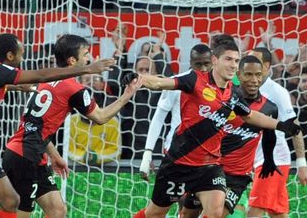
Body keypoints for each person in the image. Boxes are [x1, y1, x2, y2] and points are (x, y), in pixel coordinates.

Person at [0, 33, 116, 218]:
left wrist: (12, 86)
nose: (22, 59)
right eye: (21, 54)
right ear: (10, 56)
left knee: (11, 201)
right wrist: (88, 70)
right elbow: (41, 75)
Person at [129, 41, 301, 218]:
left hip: (210, 166)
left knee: (215, 211)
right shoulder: (194, 79)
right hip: (180, 163)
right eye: (228, 59)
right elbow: (160, 83)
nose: (233, 65)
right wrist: (138, 78)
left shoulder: (232, 94)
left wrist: (281, 125)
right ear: (215, 60)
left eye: (236, 60)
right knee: (155, 213)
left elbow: (250, 116)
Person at [2, 34, 143, 218]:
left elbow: (36, 127)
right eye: (85, 54)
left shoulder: (45, 79)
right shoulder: (74, 89)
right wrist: (127, 95)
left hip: (30, 153)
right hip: (25, 157)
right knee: (21, 214)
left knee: (57, 211)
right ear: (72, 60)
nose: (89, 59)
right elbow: (100, 117)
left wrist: (55, 155)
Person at [180, 55, 280, 218]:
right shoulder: (224, 98)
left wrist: (269, 160)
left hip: (237, 176)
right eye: (248, 74)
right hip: (209, 168)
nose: (254, 80)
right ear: (238, 75)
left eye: (258, 75)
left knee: (216, 214)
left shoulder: (270, 108)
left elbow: (269, 137)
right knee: (187, 214)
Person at [247, 47, 307, 218]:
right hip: (257, 159)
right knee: (278, 213)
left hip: (273, 160)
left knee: (254, 212)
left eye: (255, 62)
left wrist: (302, 163)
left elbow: (294, 126)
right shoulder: (242, 87)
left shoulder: (277, 92)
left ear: (266, 66)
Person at [139, 43, 212, 181]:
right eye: (198, 64)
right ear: (191, 63)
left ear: (213, 62)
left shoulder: (219, 86)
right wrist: (147, 153)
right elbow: (159, 118)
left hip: (207, 153)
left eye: (206, 64)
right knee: (182, 200)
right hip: (177, 150)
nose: (203, 69)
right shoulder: (176, 83)